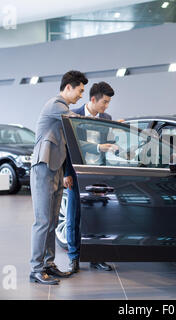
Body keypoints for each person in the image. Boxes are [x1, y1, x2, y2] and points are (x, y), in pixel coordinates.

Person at [29, 70, 88, 285]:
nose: (81, 95)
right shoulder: (56, 104)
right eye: (80, 90)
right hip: (43, 168)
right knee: (43, 221)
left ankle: (48, 264)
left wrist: (65, 173)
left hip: (55, 170)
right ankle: (35, 270)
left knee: (52, 221)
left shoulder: (62, 109)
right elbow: (76, 122)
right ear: (69, 87)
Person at [64, 82, 117, 273]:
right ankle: (74, 258)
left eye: (108, 103)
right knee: (74, 217)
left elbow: (109, 144)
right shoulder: (73, 114)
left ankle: (97, 258)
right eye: (104, 102)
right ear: (93, 99)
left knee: (98, 217)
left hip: (98, 174)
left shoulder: (106, 118)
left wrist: (116, 137)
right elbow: (69, 146)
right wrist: (67, 174)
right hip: (77, 174)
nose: (106, 106)